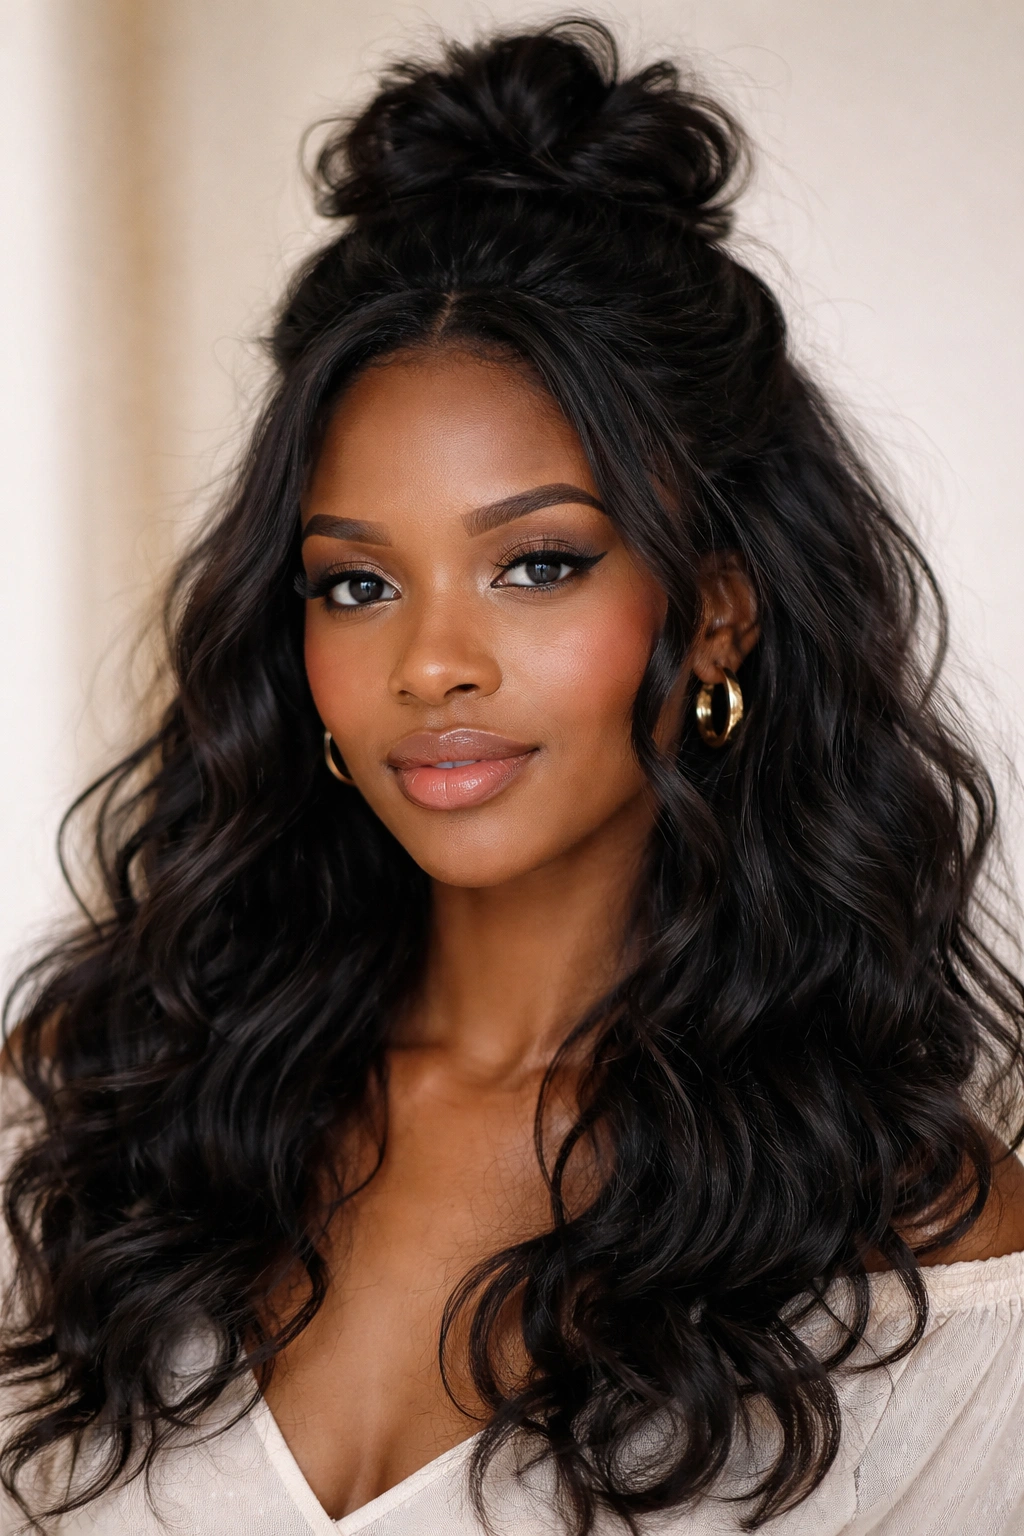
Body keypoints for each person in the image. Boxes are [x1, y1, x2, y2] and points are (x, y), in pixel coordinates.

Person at [2, 18, 1023, 1535]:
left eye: (536, 564)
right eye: (355, 585)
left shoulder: (922, 1259)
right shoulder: (110, 1117)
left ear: (719, 605)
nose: (431, 664)